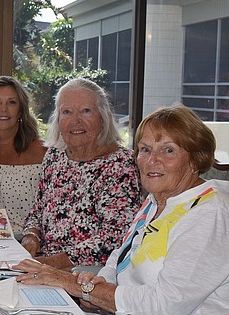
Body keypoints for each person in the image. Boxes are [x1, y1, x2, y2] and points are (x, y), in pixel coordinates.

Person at [15, 104, 229, 315]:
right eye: (144, 149)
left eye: (168, 150)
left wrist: (70, 282)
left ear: (195, 158)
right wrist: (86, 290)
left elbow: (162, 304)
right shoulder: (155, 204)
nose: (151, 161)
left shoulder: (211, 214)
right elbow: (115, 267)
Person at [21, 78, 141, 268]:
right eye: (66, 112)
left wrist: (49, 264)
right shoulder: (54, 156)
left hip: (85, 278)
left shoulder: (121, 165)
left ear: (103, 117)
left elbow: (114, 239)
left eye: (86, 111)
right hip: (46, 267)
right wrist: (31, 235)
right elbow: (37, 210)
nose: (75, 121)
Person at [0, 76, 47, 232]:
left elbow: (49, 210)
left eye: (11, 102)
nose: (3, 109)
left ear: (20, 111)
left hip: (28, 243)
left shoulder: (42, 152)